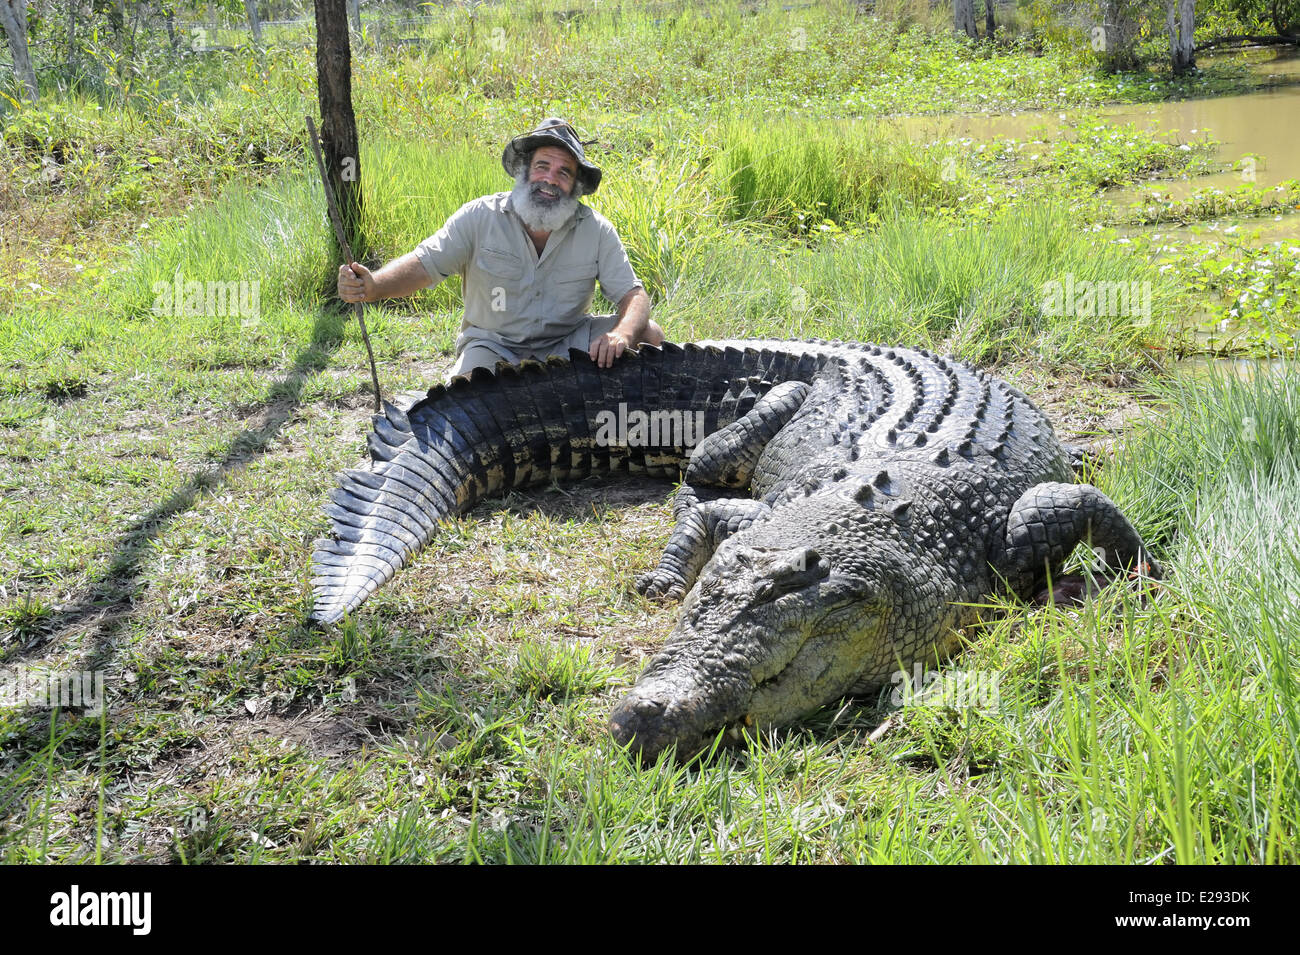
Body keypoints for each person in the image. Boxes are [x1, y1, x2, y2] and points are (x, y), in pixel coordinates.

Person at [336, 118, 664, 375]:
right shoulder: (480, 217)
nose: (551, 180)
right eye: (542, 166)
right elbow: (425, 265)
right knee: (465, 398)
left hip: (568, 343)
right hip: (494, 346)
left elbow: (632, 295)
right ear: (525, 171)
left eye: (564, 172)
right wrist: (374, 285)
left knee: (648, 335)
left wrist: (620, 334)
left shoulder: (595, 230)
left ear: (576, 185)